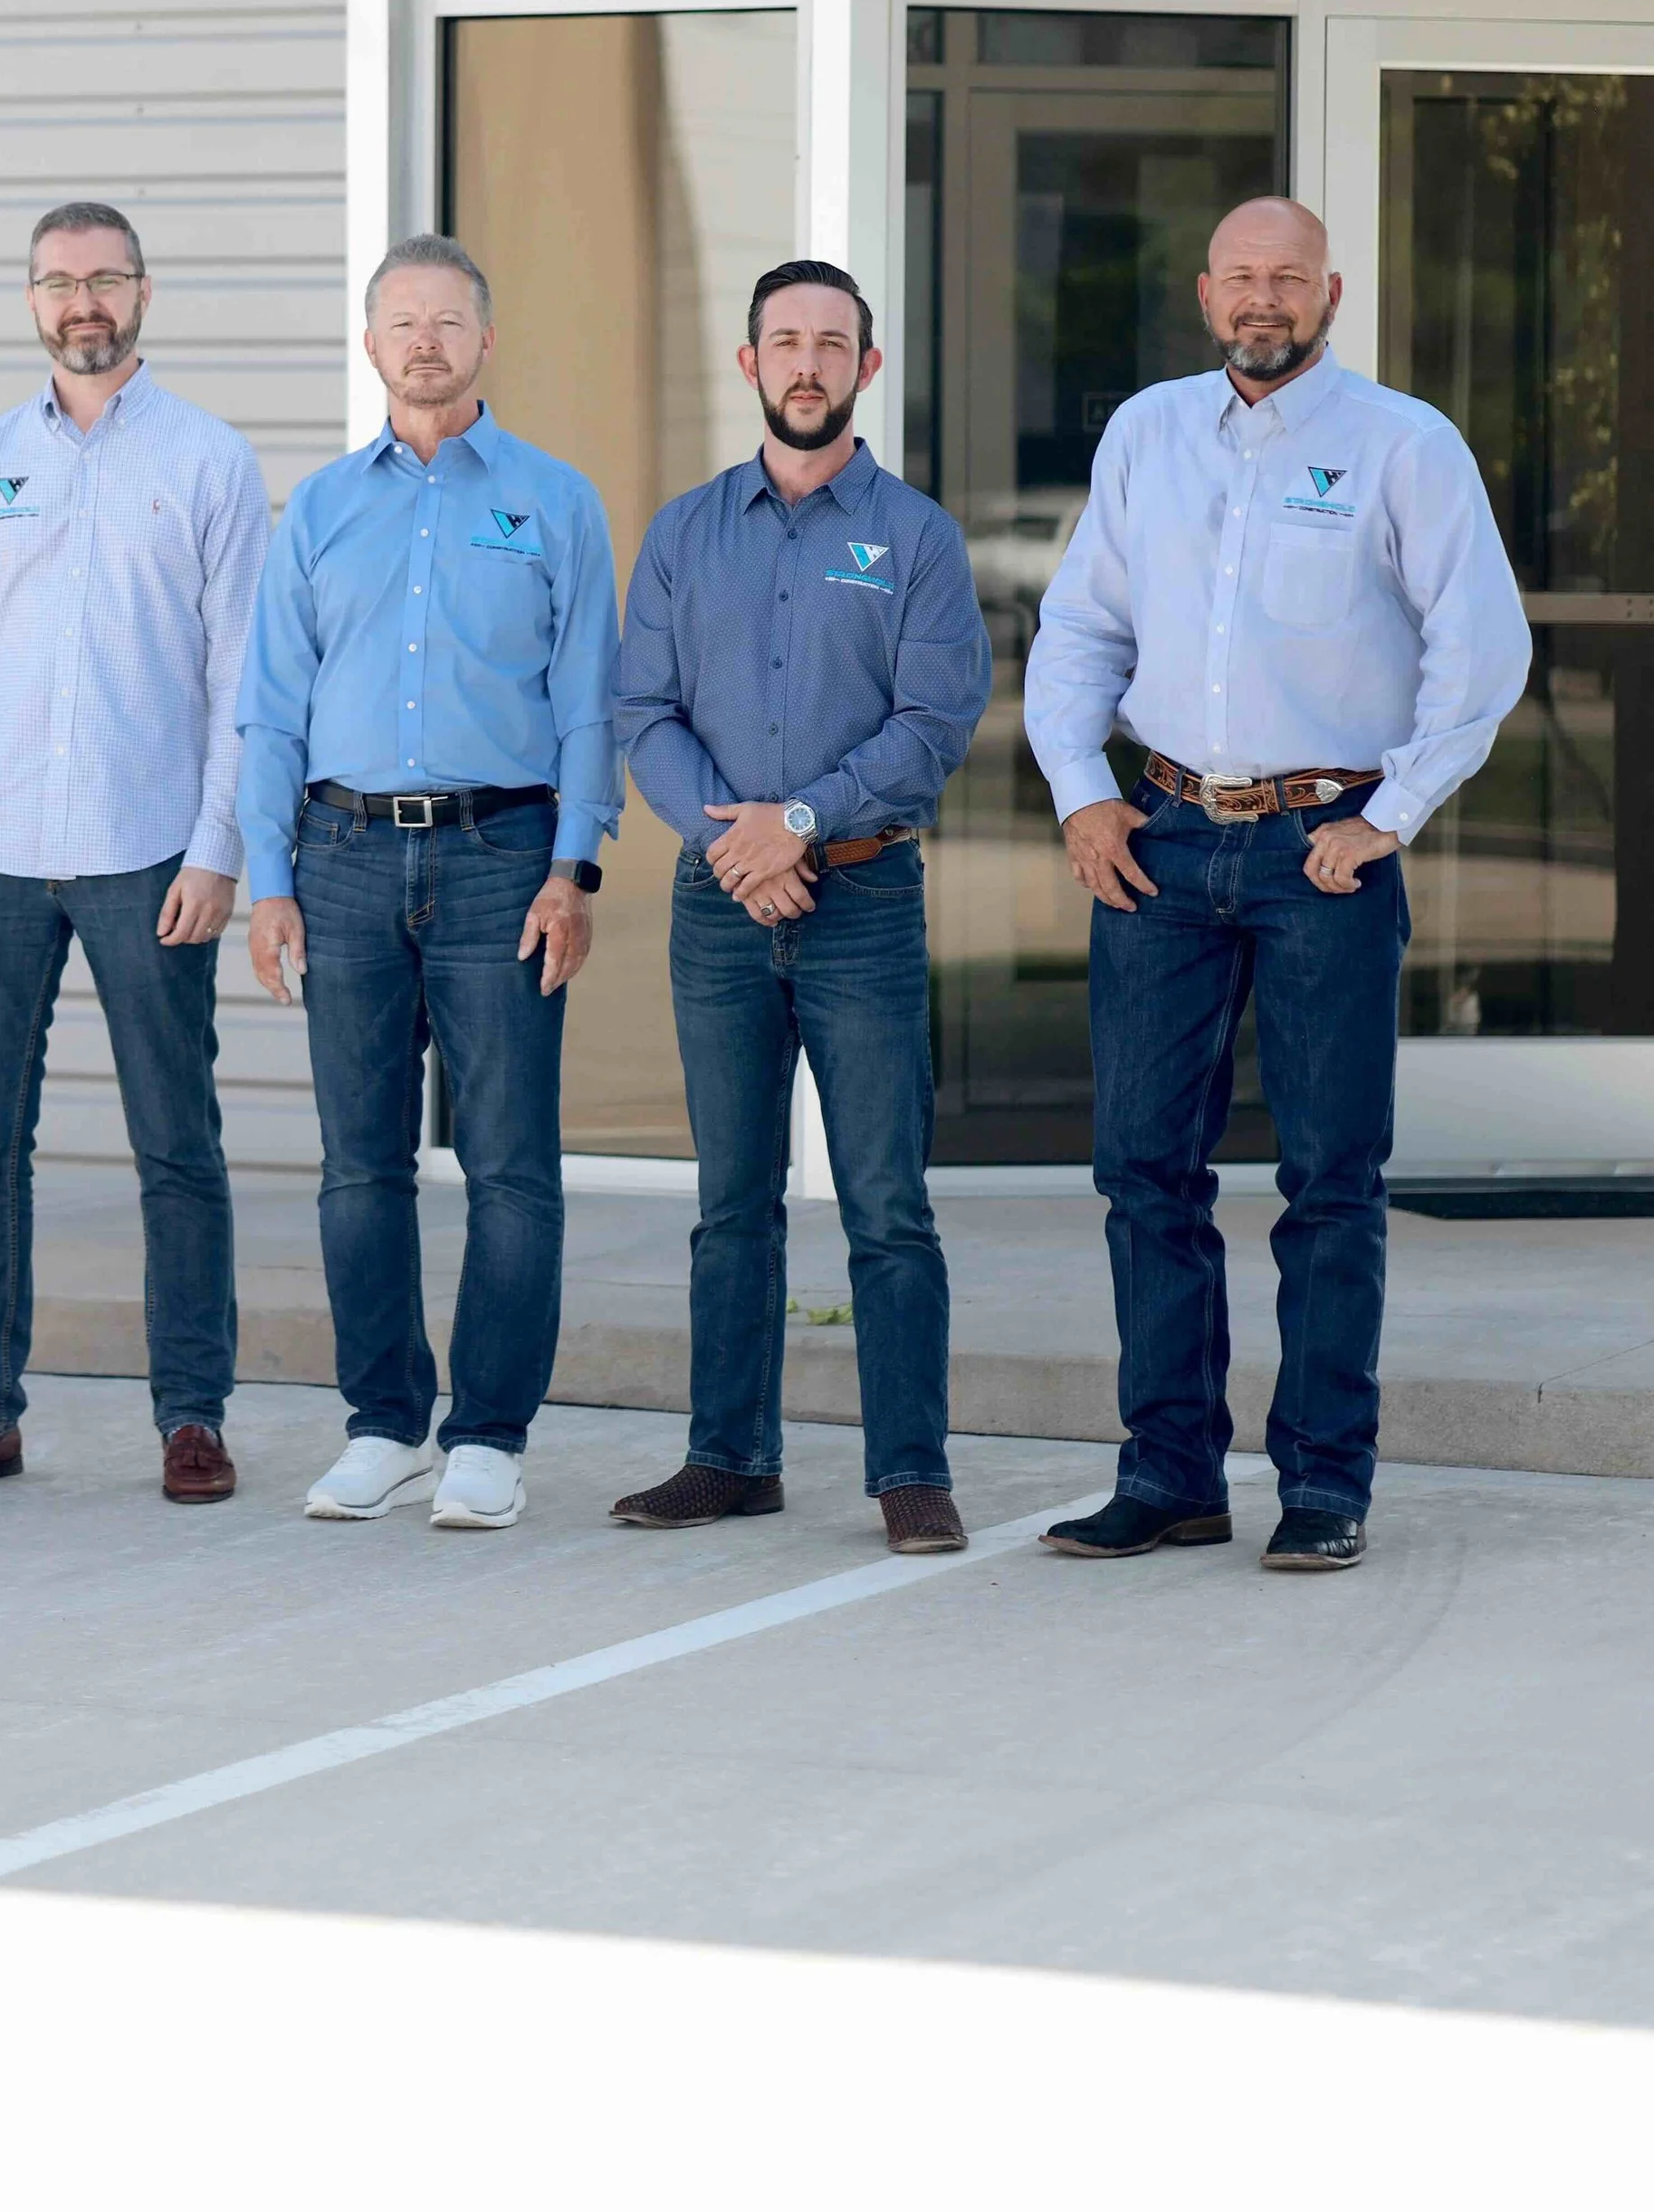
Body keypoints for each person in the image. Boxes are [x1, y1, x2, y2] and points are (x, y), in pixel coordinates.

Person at [1024, 195, 1531, 1574]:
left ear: (1331, 292)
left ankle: (1323, 1480)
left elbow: (1480, 652)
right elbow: (1081, 626)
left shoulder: (1402, 446)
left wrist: (1395, 814)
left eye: (1288, 279)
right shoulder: (1148, 432)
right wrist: (1080, 790)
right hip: (1166, 835)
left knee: (1329, 1178)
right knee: (1143, 1167)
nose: (1264, 299)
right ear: (1204, 294)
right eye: (1242, 277)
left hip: (1326, 848)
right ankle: (1171, 1471)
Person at [0, 199, 269, 1502]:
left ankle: (192, 1415)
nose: (82, 301)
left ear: (144, 293)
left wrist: (220, 848)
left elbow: (238, 677)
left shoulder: (210, 461)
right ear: (32, 301)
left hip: (149, 848)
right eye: (58, 281)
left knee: (177, 1141)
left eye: (104, 278)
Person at [239, 234, 619, 1533]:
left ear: (485, 339)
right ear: (370, 343)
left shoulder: (556, 501)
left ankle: (491, 1437)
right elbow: (269, 708)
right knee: (360, 1165)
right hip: (338, 859)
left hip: (501, 856)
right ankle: (385, 1424)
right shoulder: (323, 509)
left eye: (448, 319)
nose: (424, 341)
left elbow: (586, 708)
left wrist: (575, 869)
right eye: (401, 321)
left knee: (510, 1163)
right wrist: (266, 877)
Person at [610, 261, 991, 1549]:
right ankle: (730, 1457)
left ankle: (910, 1471)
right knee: (731, 1199)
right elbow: (641, 710)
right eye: (787, 340)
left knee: (887, 1203)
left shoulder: (920, 538)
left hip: (864, 900)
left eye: (834, 342)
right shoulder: (684, 531)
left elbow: (936, 722)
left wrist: (800, 822)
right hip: (719, 905)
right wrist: (738, 842)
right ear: (751, 363)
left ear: (867, 370)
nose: (809, 362)